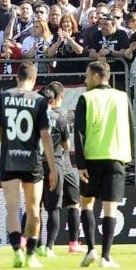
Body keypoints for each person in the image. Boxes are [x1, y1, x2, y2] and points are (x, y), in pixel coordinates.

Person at [0, 61, 57, 268]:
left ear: (16, 77)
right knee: (33, 210)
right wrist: (52, 167)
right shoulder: (39, 101)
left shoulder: (3, 97)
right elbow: (45, 135)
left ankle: (16, 252)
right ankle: (31, 254)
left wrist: (11, 145)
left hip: (9, 159)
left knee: (12, 209)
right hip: (32, 162)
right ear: (34, 78)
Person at [74, 59, 130, 268]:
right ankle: (106, 256)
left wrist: (80, 163)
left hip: (92, 158)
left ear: (97, 76)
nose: (86, 79)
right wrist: (127, 155)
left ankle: (90, 250)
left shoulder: (86, 98)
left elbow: (78, 133)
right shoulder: (122, 97)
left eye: (88, 75)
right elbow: (130, 125)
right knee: (111, 208)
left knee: (86, 203)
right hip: (117, 156)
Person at [42, 81, 82, 257]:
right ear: (62, 96)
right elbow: (68, 144)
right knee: (72, 203)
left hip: (42, 163)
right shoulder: (66, 115)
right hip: (61, 164)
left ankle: (25, 242)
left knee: (36, 206)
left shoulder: (40, 116)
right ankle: (72, 243)